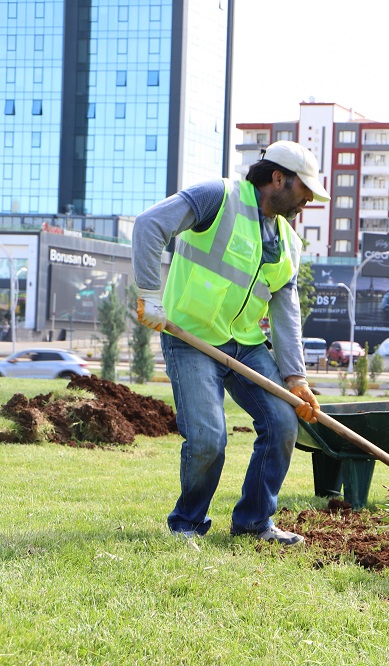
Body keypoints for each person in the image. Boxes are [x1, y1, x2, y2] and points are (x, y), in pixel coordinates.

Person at [132, 140, 324, 546]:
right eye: (303, 188)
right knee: (207, 438)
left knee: (283, 422)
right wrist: (150, 294)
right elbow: (149, 225)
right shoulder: (217, 197)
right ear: (277, 178)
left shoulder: (288, 241)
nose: (307, 200)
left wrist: (295, 377)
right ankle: (187, 523)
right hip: (192, 338)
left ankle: (255, 522)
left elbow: (286, 312)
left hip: (246, 344)